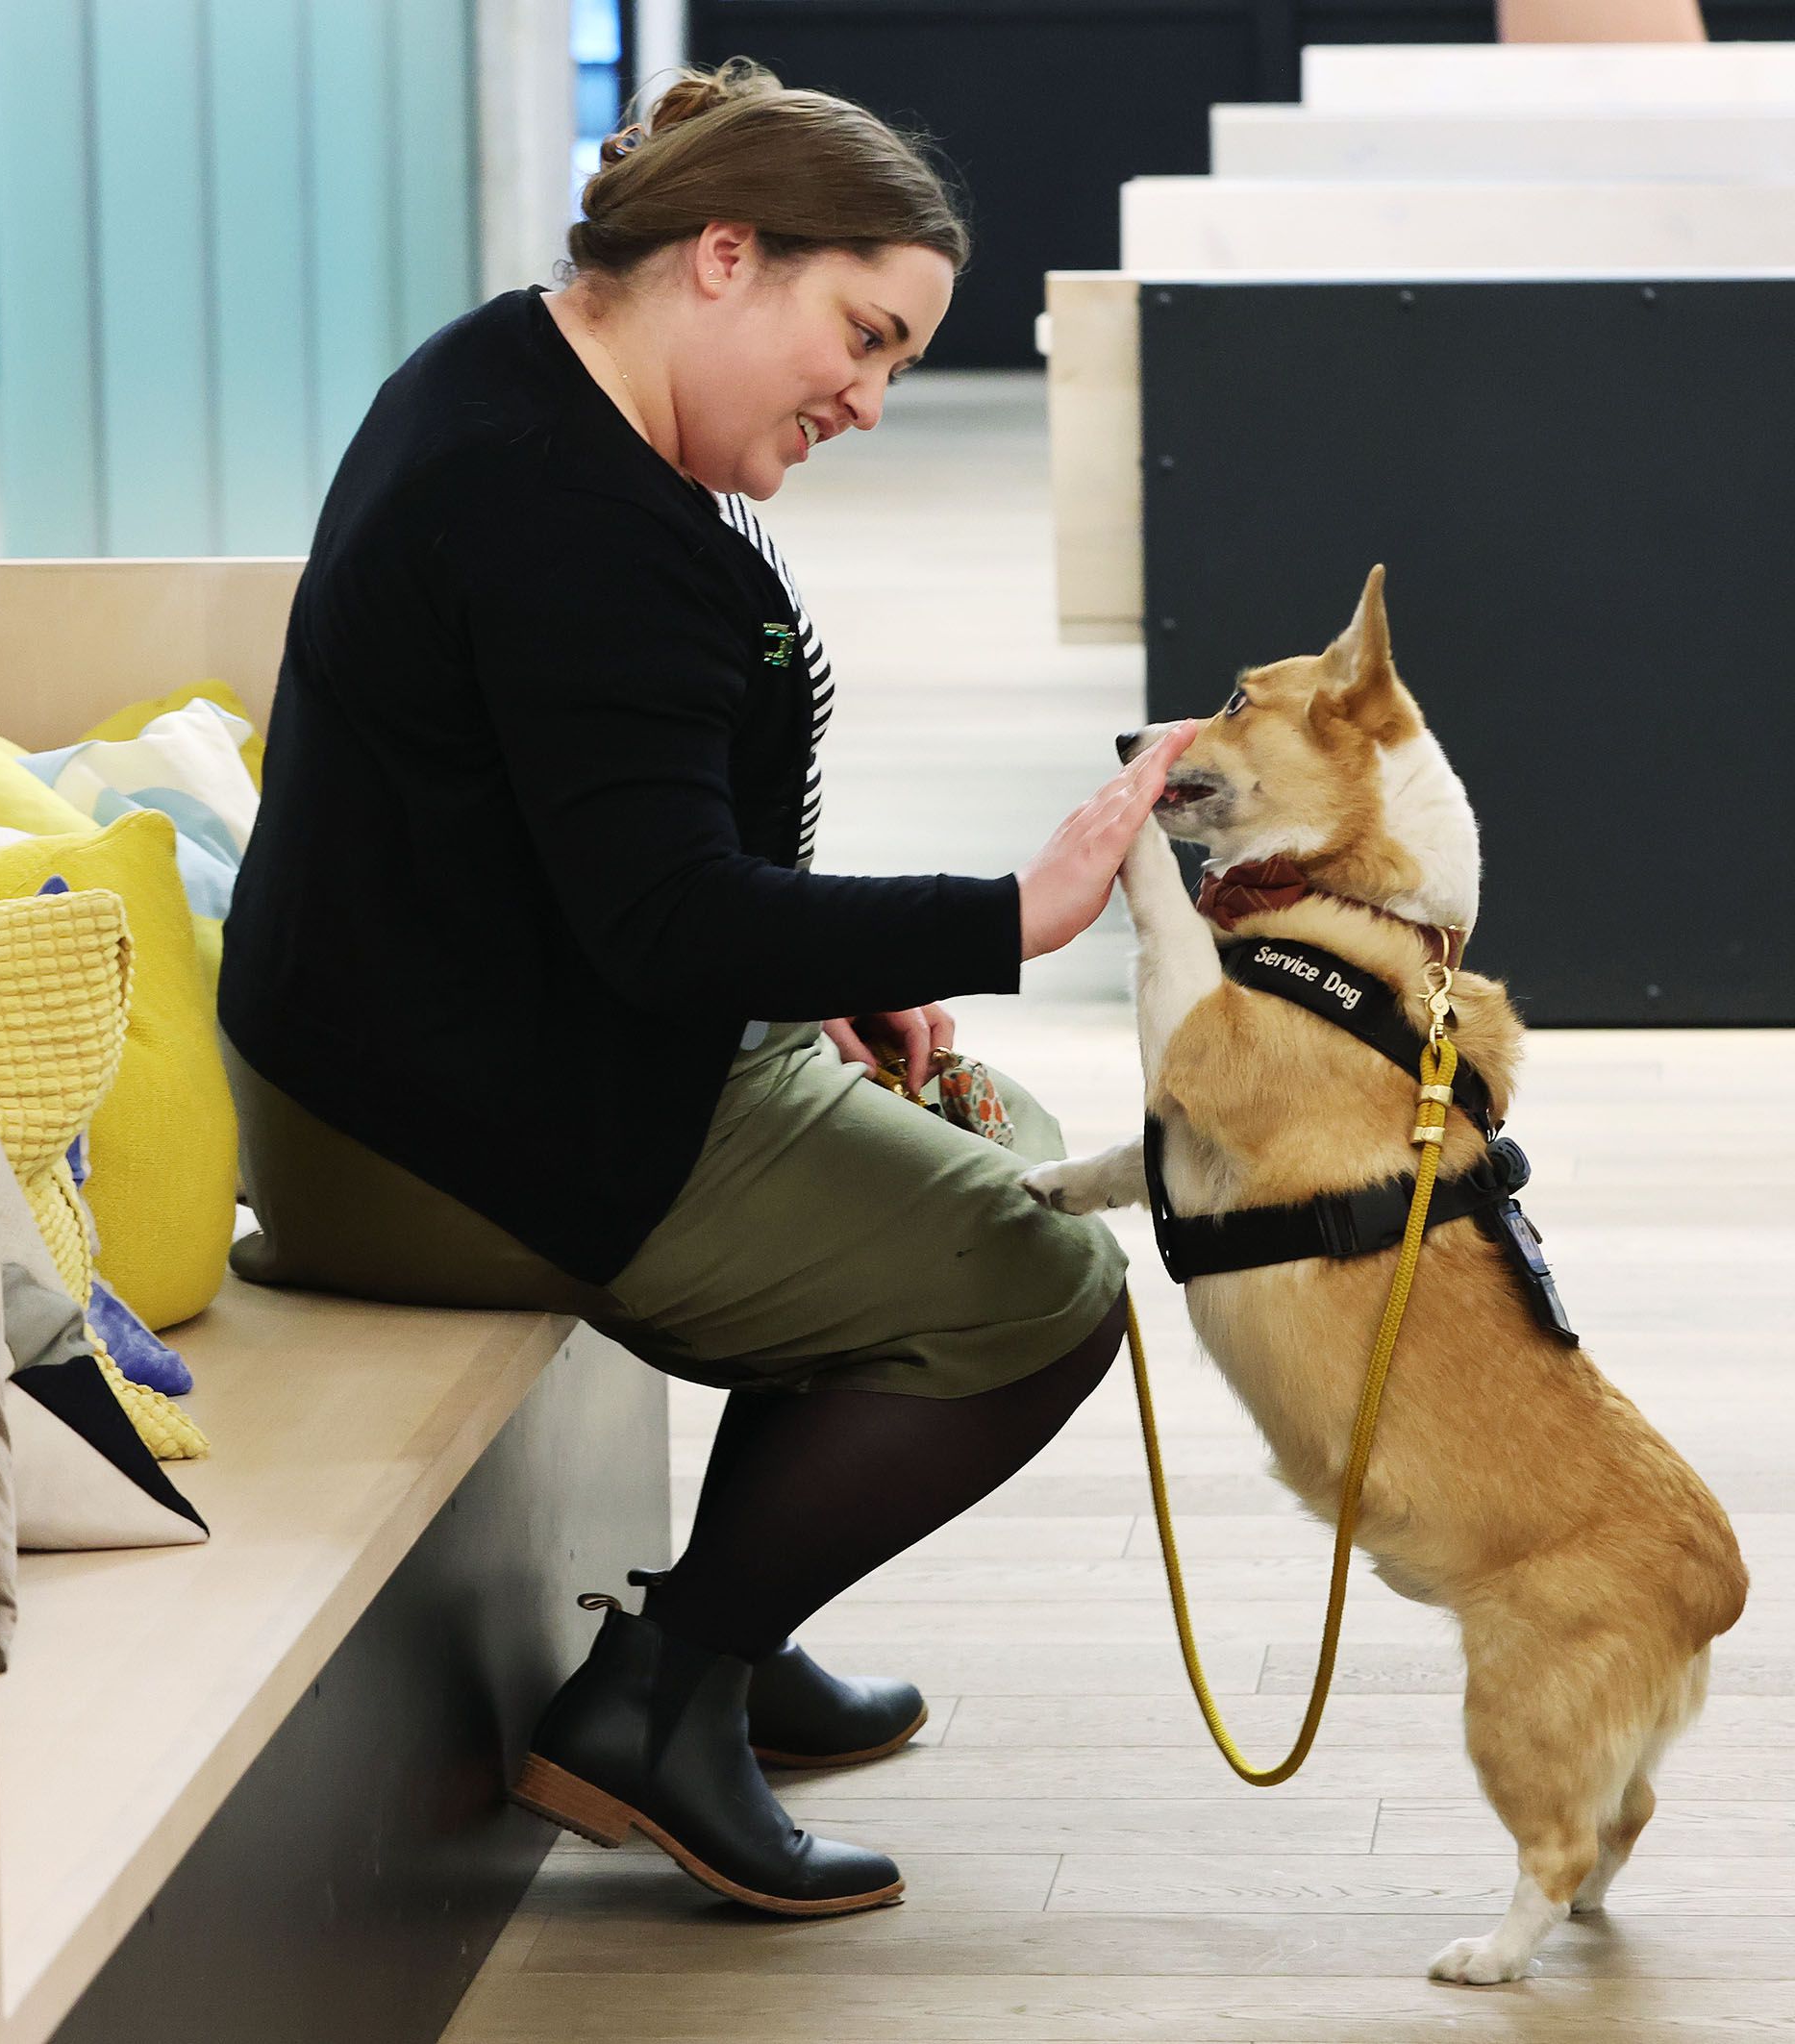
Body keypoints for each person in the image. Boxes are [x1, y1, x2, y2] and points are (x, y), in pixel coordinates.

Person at [217, 60, 1193, 1918]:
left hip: (432, 1047)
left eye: (902, 359)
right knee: (1044, 1282)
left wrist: (826, 970)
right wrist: (1006, 912)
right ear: (724, 255)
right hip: (448, 1128)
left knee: (998, 1145)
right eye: (865, 334)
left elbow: (609, 853)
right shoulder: (569, 521)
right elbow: (664, 923)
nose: (875, 399)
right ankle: (662, 1702)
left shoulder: (517, 382)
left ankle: (731, 1619)